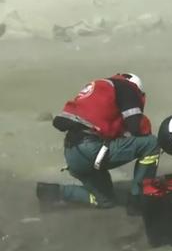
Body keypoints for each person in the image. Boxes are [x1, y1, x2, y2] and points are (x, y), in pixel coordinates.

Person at [36, 73, 160, 215]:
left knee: (106, 201)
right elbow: (135, 127)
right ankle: (138, 199)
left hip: (73, 153)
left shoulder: (98, 89)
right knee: (152, 144)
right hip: (91, 150)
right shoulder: (128, 88)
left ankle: (54, 192)